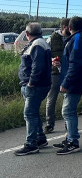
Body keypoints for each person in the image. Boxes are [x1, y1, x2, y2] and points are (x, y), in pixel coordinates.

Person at [57, 17, 82, 155]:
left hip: (74, 82)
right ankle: (69, 138)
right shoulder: (79, 38)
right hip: (75, 79)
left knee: (67, 111)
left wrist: (66, 82)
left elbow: (76, 62)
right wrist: (61, 65)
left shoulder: (78, 39)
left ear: (68, 28)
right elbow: (72, 62)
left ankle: (73, 141)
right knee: (68, 111)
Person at [15, 22, 52, 156]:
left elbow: (38, 65)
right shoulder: (39, 43)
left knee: (29, 114)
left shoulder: (37, 45)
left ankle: (31, 144)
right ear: (41, 32)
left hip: (35, 85)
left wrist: (31, 82)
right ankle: (40, 138)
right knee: (34, 113)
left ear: (27, 34)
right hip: (37, 84)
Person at [43, 18, 70, 133]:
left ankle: (68, 123)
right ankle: (49, 124)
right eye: (69, 27)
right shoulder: (51, 38)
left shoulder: (72, 37)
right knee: (51, 99)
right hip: (54, 73)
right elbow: (45, 54)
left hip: (68, 73)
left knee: (67, 99)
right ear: (64, 27)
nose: (71, 29)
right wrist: (52, 60)